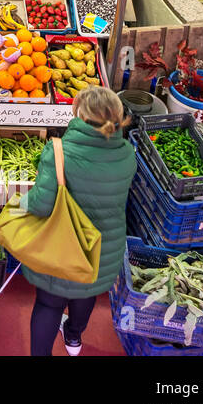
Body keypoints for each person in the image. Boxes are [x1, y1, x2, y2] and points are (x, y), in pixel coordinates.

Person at [21, 86, 135, 357]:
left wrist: (18, 205)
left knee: (49, 304)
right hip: (103, 246)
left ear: (80, 114)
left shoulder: (60, 151)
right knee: (86, 293)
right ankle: (73, 338)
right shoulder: (127, 154)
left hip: (63, 246)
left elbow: (40, 204)